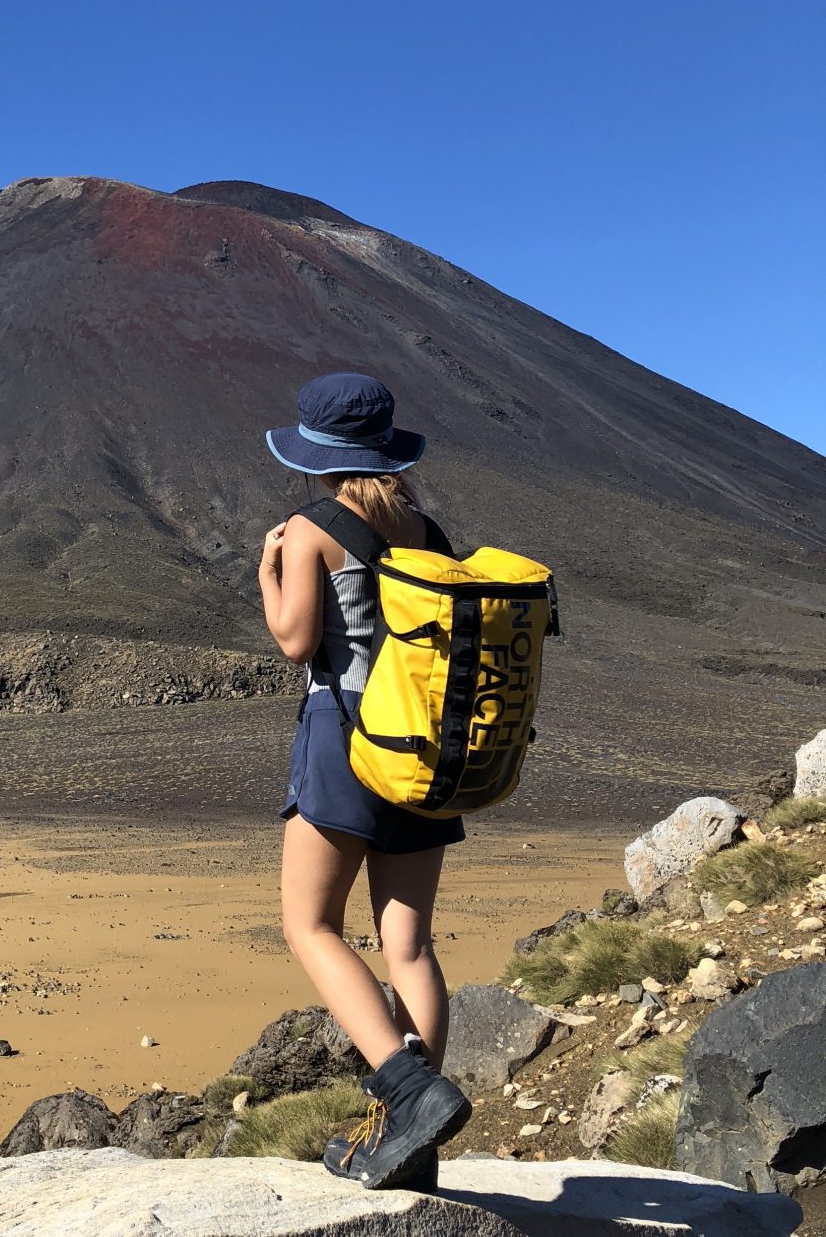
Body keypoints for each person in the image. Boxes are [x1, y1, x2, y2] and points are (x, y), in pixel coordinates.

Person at [258, 371, 472, 1190]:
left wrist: (270, 572)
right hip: (423, 753)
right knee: (408, 944)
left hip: (344, 742)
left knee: (310, 926)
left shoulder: (312, 528)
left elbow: (295, 640)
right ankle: (415, 1143)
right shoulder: (428, 529)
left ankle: (408, 1093)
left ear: (319, 454)